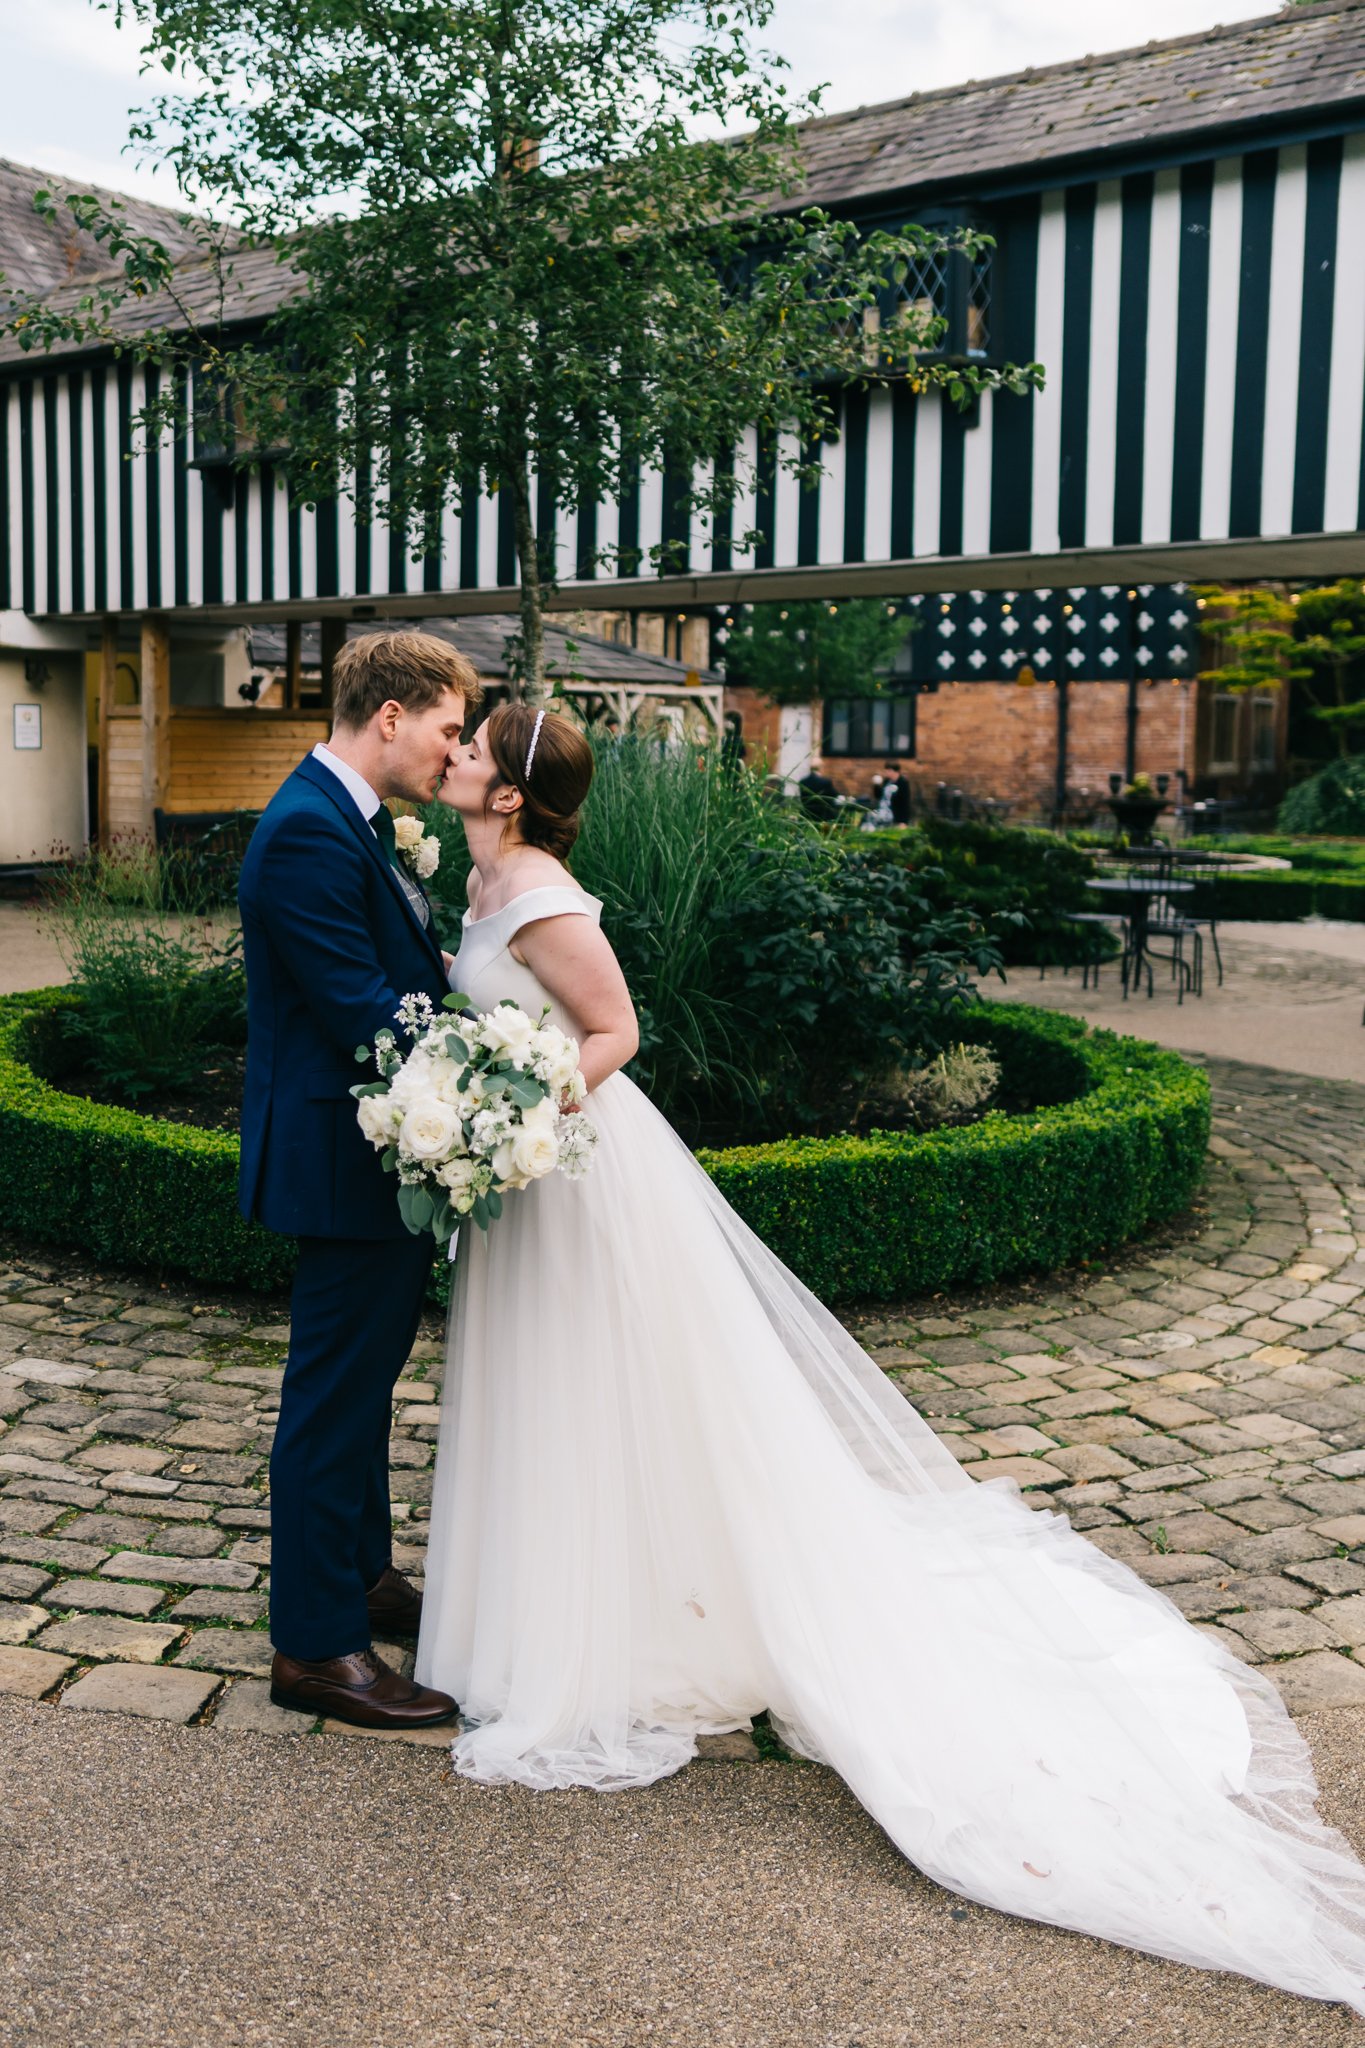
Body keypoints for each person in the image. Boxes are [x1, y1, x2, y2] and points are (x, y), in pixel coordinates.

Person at [416, 698, 1365, 2018]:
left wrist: (516, 1105)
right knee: (555, 1402)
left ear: (510, 795)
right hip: (531, 1176)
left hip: (575, 1172)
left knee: (605, 1398)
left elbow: (616, 1035)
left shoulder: (542, 900)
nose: (452, 753)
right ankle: (565, 1608)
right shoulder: (476, 870)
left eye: (474, 747)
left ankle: (606, 1636)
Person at [238, 629, 480, 1730]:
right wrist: (501, 1066)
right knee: (329, 1401)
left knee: (366, 1379)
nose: (453, 748)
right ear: (392, 714)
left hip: (378, 1151)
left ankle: (362, 1575)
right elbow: (360, 1012)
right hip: (344, 1158)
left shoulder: (351, 818)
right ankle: (316, 1646)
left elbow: (399, 977)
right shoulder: (304, 833)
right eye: (446, 727)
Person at [796, 758, 840, 822]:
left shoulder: (802, 782)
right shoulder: (825, 782)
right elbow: (834, 796)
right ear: (820, 767)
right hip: (823, 816)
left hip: (807, 815)